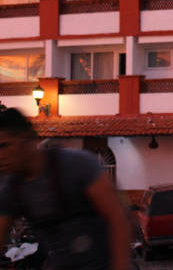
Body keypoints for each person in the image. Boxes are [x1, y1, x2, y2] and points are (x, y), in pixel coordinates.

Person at [0, 108, 130, 270]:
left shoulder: (76, 165)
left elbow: (117, 218)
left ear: (26, 139)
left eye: (4, 145)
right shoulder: (11, 189)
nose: (1, 155)